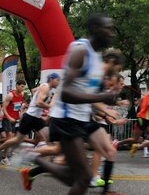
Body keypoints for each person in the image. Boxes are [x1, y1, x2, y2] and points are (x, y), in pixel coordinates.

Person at [21, 13, 121, 195]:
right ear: (95, 30)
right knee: (81, 179)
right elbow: (65, 93)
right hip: (67, 119)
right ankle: (38, 159)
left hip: (84, 118)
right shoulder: (80, 50)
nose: (111, 33)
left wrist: (109, 99)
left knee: (106, 153)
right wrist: (101, 98)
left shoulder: (97, 58)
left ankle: (104, 188)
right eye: (107, 29)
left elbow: (92, 93)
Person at [0, 73, 60, 164]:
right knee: (17, 139)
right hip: (29, 117)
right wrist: (50, 105)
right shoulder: (46, 88)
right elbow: (38, 103)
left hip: (36, 118)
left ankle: (48, 162)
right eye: (57, 80)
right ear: (51, 79)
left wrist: (37, 95)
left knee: (49, 137)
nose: (58, 82)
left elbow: (33, 90)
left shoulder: (47, 89)